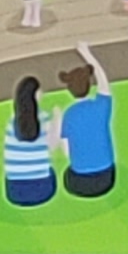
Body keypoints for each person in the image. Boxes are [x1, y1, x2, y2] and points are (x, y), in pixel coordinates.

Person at [52, 51, 115, 200]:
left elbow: (67, 152)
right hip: (107, 178)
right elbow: (103, 81)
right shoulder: (101, 106)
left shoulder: (69, 114)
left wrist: (58, 118)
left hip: (80, 181)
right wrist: (87, 53)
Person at [6, 76, 55, 205]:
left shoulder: (11, 122)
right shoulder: (44, 118)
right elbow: (53, 146)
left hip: (15, 191)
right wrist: (58, 119)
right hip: (43, 188)